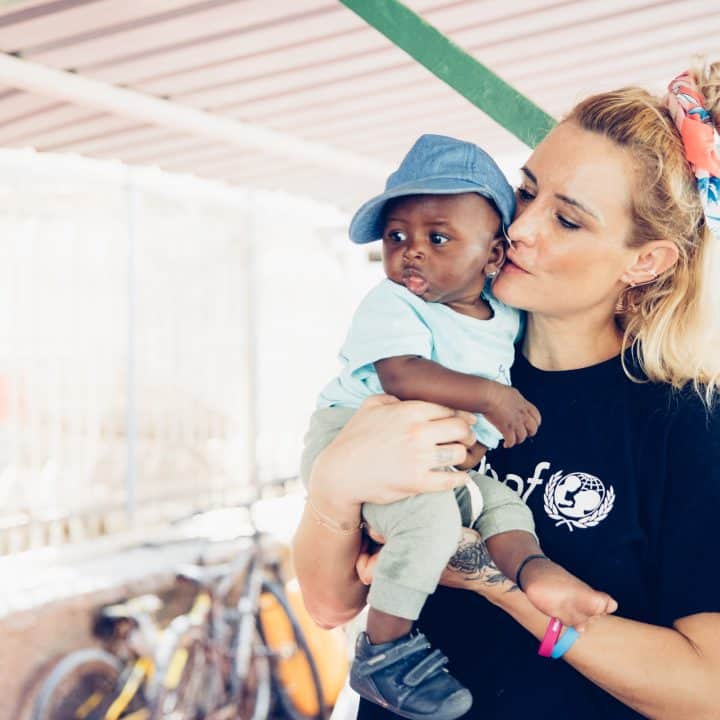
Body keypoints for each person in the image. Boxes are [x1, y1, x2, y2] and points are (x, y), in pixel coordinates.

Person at [293, 61, 720, 720]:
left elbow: (705, 690)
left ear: (646, 261)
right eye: (525, 192)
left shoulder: (687, 422)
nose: (518, 228)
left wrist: (496, 580)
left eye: (568, 220)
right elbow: (329, 605)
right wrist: (333, 483)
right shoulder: (441, 352)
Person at [302, 134, 616, 720]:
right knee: (429, 523)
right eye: (397, 237)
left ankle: (531, 567)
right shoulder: (395, 303)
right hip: (354, 436)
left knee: (503, 508)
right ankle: (384, 652)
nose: (411, 253)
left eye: (437, 238)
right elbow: (400, 373)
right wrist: (489, 397)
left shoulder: (507, 315)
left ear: (492, 256)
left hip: (439, 461)